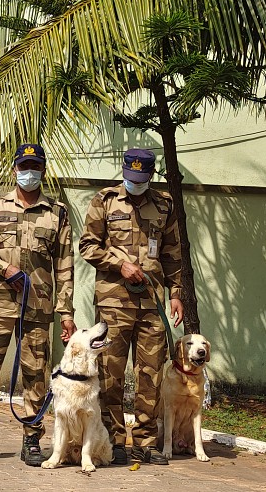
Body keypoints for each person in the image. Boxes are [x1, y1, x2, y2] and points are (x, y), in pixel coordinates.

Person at [0, 143, 76, 466]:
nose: (29, 172)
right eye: (24, 166)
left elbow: (65, 265)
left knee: (36, 376)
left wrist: (66, 312)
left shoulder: (57, 213)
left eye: (35, 166)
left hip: (37, 308)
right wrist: (4, 268)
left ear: (44, 171)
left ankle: (32, 439)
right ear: (14, 170)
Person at [79, 148, 184, 466]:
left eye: (140, 179)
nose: (134, 184)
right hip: (113, 302)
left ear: (150, 176)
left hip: (151, 303)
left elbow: (173, 253)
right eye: (130, 178)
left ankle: (146, 441)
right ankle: (114, 438)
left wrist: (176, 292)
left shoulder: (164, 203)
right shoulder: (105, 200)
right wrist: (119, 264)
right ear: (123, 172)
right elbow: (87, 245)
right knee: (111, 373)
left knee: (150, 374)